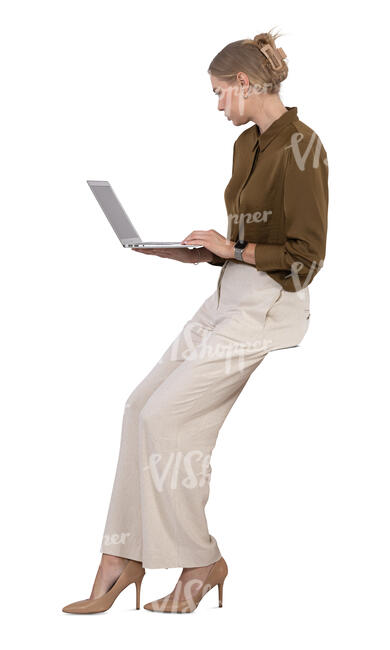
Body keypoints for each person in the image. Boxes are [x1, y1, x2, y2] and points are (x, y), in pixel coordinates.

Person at [62, 29, 328, 615]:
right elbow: (247, 239)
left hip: (266, 307)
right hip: (229, 292)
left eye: (217, 92)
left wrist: (232, 252)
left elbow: (307, 255)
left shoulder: (304, 147)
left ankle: (200, 560)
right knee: (139, 406)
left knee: (165, 420)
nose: (216, 106)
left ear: (242, 83)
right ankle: (123, 555)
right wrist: (202, 251)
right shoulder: (247, 145)